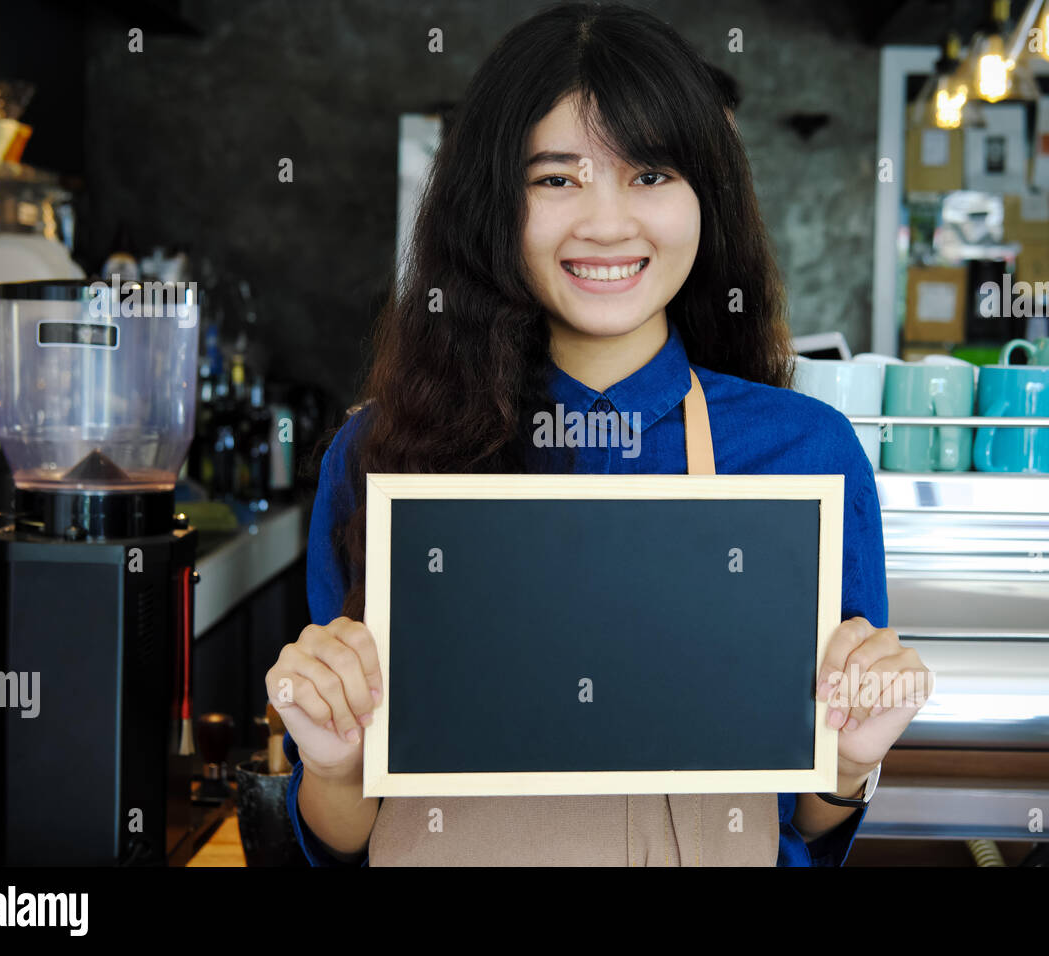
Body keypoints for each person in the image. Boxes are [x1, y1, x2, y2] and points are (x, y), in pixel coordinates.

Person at [265, 1, 931, 866]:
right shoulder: (381, 458)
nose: (608, 222)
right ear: (493, 204)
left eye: (650, 175)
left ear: (707, 195)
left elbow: (806, 823)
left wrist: (849, 755)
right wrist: (333, 762)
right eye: (556, 178)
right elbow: (345, 837)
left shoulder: (804, 453)